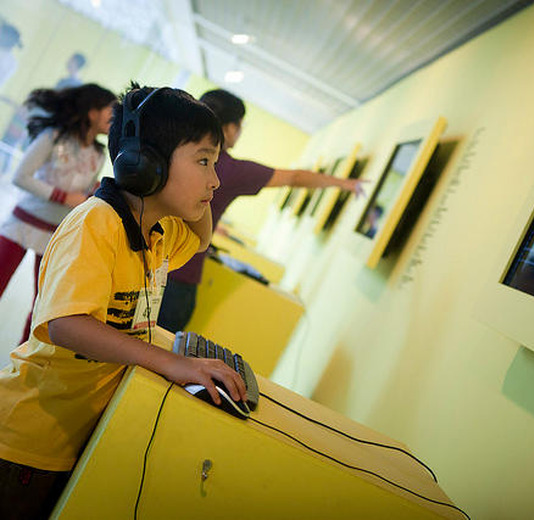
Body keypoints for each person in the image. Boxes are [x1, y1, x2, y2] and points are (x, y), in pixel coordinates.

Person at [0, 85, 247, 520]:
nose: (216, 180)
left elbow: (202, 238)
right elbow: (67, 324)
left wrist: (199, 185)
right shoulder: (97, 223)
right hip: (25, 438)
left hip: (65, 438)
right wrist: (172, 363)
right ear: (145, 163)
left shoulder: (157, 231)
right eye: (204, 161)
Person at [157, 88, 364, 332]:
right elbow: (294, 177)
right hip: (180, 280)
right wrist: (346, 183)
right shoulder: (232, 170)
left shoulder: (172, 150)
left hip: (153, 266)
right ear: (230, 128)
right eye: (240, 125)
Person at [0, 83, 116, 343]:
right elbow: (20, 176)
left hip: (56, 237)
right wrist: (61, 196)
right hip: (20, 224)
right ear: (92, 112)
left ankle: (24, 361)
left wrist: (93, 193)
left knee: (43, 308)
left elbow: (82, 192)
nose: (114, 117)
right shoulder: (53, 137)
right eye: (110, 110)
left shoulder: (98, 154)